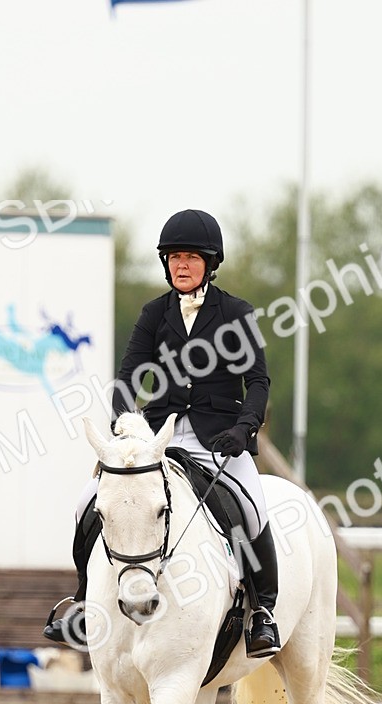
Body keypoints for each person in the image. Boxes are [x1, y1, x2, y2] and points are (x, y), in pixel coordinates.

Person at [44, 207, 280, 658]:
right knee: (85, 503)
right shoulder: (155, 313)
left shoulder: (235, 312)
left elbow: (259, 382)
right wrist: (123, 424)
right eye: (173, 257)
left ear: (210, 264)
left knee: (252, 509)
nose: (181, 265)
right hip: (158, 437)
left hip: (218, 439)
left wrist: (244, 428)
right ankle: (80, 601)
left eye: (191, 257)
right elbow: (127, 376)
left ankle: (262, 612)